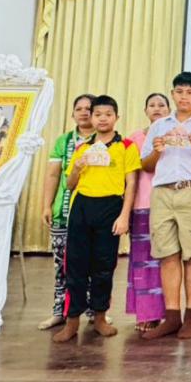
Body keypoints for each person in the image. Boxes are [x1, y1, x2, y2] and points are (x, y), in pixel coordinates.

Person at [140, 72, 191, 340]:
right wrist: (157, 150)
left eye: (189, 92)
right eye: (179, 92)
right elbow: (146, 165)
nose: (184, 96)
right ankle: (172, 316)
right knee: (167, 254)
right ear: (173, 94)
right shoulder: (159, 126)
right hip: (163, 193)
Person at [52, 95, 139, 343]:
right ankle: (72, 321)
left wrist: (124, 216)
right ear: (91, 117)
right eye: (98, 114)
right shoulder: (83, 147)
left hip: (110, 207)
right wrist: (77, 167)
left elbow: (131, 183)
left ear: (116, 117)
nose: (103, 119)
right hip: (82, 207)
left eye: (108, 114)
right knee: (75, 266)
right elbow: (70, 184)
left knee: (104, 265)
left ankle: (100, 317)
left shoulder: (127, 146)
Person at [39, 93, 95, 330]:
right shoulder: (63, 141)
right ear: (72, 114)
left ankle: (95, 312)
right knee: (61, 265)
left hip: (93, 210)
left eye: (88, 108)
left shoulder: (104, 140)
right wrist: (46, 205)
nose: (83, 112)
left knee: (93, 264)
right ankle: (59, 311)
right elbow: (53, 174)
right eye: (79, 108)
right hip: (63, 211)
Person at [126, 93, 170, 331]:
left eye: (161, 105)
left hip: (168, 205)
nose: (157, 108)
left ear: (169, 110)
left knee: (164, 262)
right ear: (145, 110)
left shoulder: (176, 137)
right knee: (141, 262)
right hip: (141, 205)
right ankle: (144, 314)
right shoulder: (135, 138)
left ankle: (163, 314)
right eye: (152, 105)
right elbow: (130, 177)